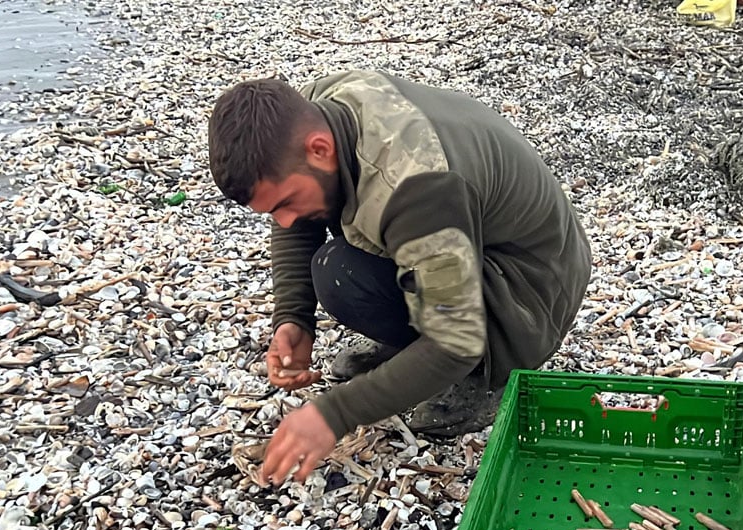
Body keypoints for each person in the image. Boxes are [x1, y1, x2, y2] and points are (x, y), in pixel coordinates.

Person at [207, 69, 592, 485]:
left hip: (530, 294)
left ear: (319, 149)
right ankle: (415, 353)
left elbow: (455, 342)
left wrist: (333, 414)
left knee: (360, 285)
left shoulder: (417, 184)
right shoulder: (314, 112)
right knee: (338, 270)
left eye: (285, 203)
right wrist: (293, 317)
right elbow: (294, 222)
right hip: (468, 245)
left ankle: (487, 375)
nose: (284, 221)